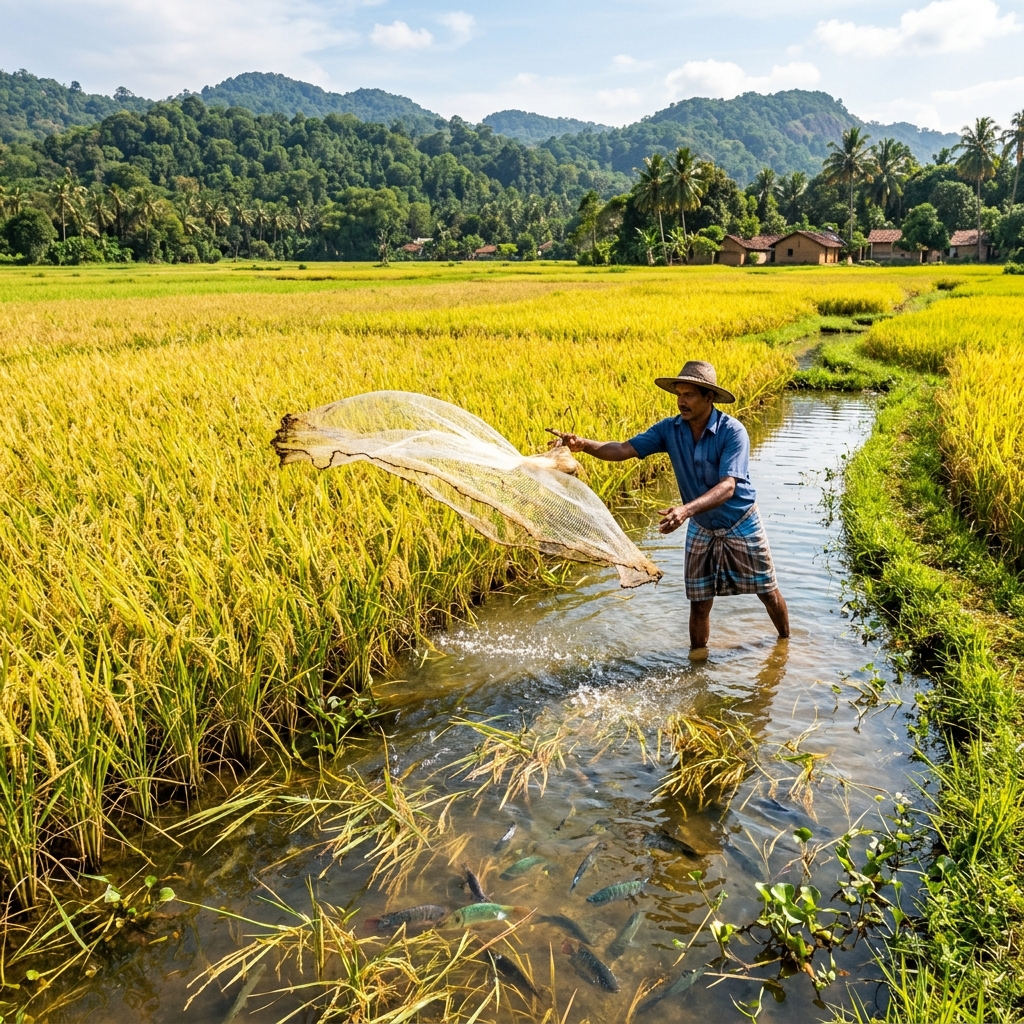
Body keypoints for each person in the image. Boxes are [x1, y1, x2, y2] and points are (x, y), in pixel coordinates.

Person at [553, 359, 788, 660]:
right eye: (679, 394)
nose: (681, 401)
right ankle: (697, 665)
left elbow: (728, 486)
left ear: (709, 397)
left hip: (740, 520)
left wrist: (685, 511)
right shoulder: (670, 430)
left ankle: (786, 646)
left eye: (689, 394)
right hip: (702, 524)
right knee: (699, 602)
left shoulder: (733, 432)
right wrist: (583, 444)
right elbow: (623, 449)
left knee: (766, 590)